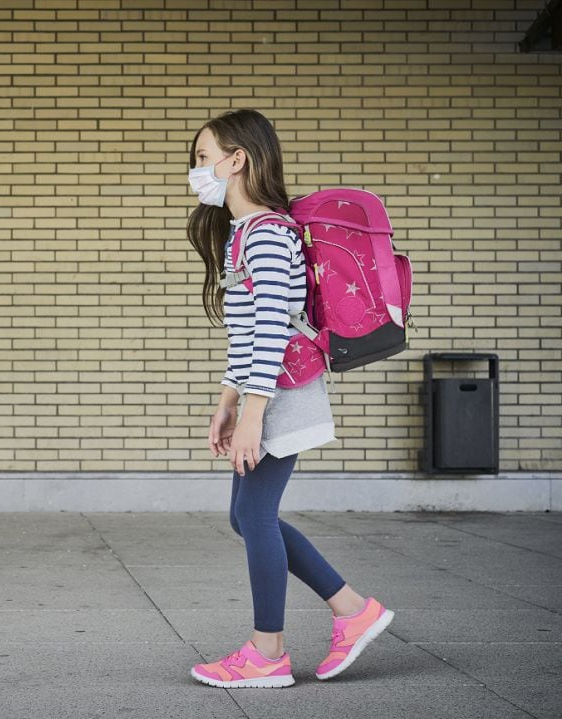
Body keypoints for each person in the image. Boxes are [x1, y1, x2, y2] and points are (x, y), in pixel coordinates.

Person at [184, 109, 395, 688]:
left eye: (204, 158)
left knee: (253, 516)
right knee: (246, 516)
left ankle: (267, 652)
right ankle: (354, 611)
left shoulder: (270, 234)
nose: (197, 170)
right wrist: (227, 400)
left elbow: (275, 328)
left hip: (280, 396)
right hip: (262, 393)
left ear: (237, 160)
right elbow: (248, 332)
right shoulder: (244, 235)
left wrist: (252, 414)